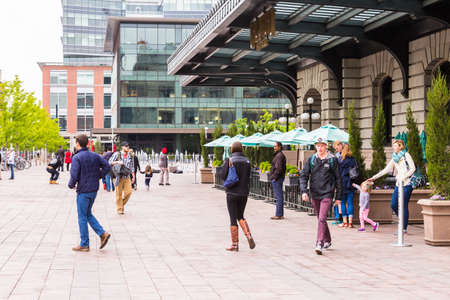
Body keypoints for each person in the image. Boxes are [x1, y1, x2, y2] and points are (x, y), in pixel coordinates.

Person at [300, 137, 343, 255]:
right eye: (317, 145)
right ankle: (327, 240)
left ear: (326, 146)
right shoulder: (312, 159)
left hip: (327, 193)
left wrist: (338, 197)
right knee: (320, 219)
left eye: (322, 145)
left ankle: (319, 242)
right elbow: (304, 176)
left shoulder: (332, 160)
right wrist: (304, 191)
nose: (319, 148)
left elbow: (339, 179)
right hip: (315, 193)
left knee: (322, 218)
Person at [68, 134, 111, 252]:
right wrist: (98, 175)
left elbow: (74, 174)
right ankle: (102, 234)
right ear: (87, 143)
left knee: (82, 216)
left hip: (83, 190)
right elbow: (107, 166)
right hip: (93, 190)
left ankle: (84, 244)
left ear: (77, 143)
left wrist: (71, 185)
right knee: (87, 214)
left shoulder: (77, 158)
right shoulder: (95, 156)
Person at [367, 139, 415, 233]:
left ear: (400, 146)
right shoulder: (395, 157)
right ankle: (402, 220)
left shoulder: (406, 155)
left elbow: (413, 168)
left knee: (403, 205)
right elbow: (386, 170)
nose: (393, 147)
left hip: (406, 184)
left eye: (395, 145)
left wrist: (403, 177)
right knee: (393, 205)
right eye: (393, 145)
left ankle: (403, 228)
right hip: (398, 184)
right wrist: (374, 178)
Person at [220, 141, 255, 252]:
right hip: (244, 193)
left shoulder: (229, 160)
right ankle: (248, 235)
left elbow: (222, 175)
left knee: (232, 218)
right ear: (241, 149)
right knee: (240, 215)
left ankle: (235, 245)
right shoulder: (247, 161)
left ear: (232, 149)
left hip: (231, 193)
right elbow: (249, 176)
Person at [109, 141, 134, 215]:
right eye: (126, 146)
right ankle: (120, 209)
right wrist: (117, 162)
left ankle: (120, 204)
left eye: (128, 146)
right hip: (118, 177)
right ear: (122, 147)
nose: (127, 147)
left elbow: (132, 166)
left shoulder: (130, 155)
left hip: (127, 176)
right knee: (118, 194)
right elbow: (109, 162)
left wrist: (133, 176)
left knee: (128, 192)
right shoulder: (117, 154)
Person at [338, 144, 358, 228]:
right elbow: (356, 172)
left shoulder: (340, 160)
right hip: (350, 183)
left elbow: (337, 173)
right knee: (350, 203)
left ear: (342, 150)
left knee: (342, 202)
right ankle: (350, 223)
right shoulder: (353, 160)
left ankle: (344, 222)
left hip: (342, 183)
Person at [269, 141, 286, 220]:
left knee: (278, 196)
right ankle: (280, 214)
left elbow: (278, 168)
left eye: (275, 146)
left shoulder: (279, 156)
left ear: (279, 147)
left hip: (277, 178)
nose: (274, 148)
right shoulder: (279, 155)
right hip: (278, 178)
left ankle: (278, 214)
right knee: (279, 196)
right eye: (274, 146)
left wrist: (274, 177)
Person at [332, 140, 344, 225]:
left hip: (342, 180)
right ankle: (337, 217)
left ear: (341, 145)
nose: (336, 149)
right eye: (335, 148)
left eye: (337, 147)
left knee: (340, 200)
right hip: (337, 180)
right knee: (336, 199)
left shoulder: (344, 155)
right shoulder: (336, 155)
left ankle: (340, 218)